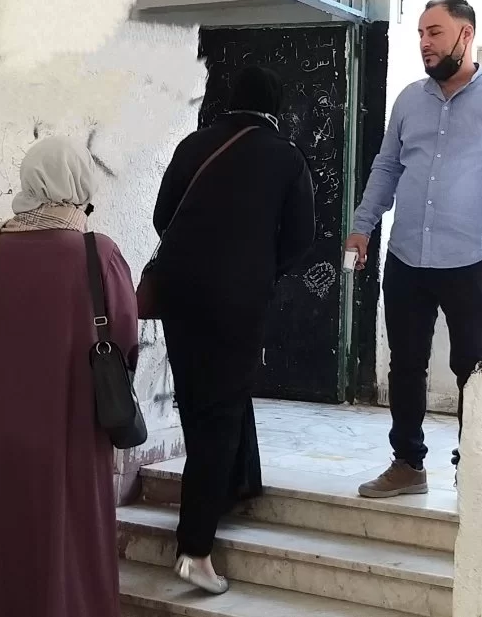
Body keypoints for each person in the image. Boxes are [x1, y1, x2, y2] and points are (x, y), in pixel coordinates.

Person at [346, 0, 482, 498]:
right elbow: (387, 167)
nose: (424, 43)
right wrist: (362, 225)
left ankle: (472, 468)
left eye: (434, 32)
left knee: (472, 367)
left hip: (473, 260)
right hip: (406, 255)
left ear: (465, 35)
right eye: (420, 34)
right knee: (405, 364)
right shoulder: (409, 100)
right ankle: (407, 464)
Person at [0, 136, 139, 617]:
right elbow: (126, 340)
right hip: (72, 430)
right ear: (79, 182)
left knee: (1, 544)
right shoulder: (97, 253)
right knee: (71, 543)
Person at [150, 66, 315, 593]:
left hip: (179, 295)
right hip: (237, 301)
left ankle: (232, 485)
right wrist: (258, 268)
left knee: (199, 402)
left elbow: (162, 217)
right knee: (220, 413)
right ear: (274, 106)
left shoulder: (192, 145)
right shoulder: (286, 156)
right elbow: (300, 239)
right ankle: (195, 549)